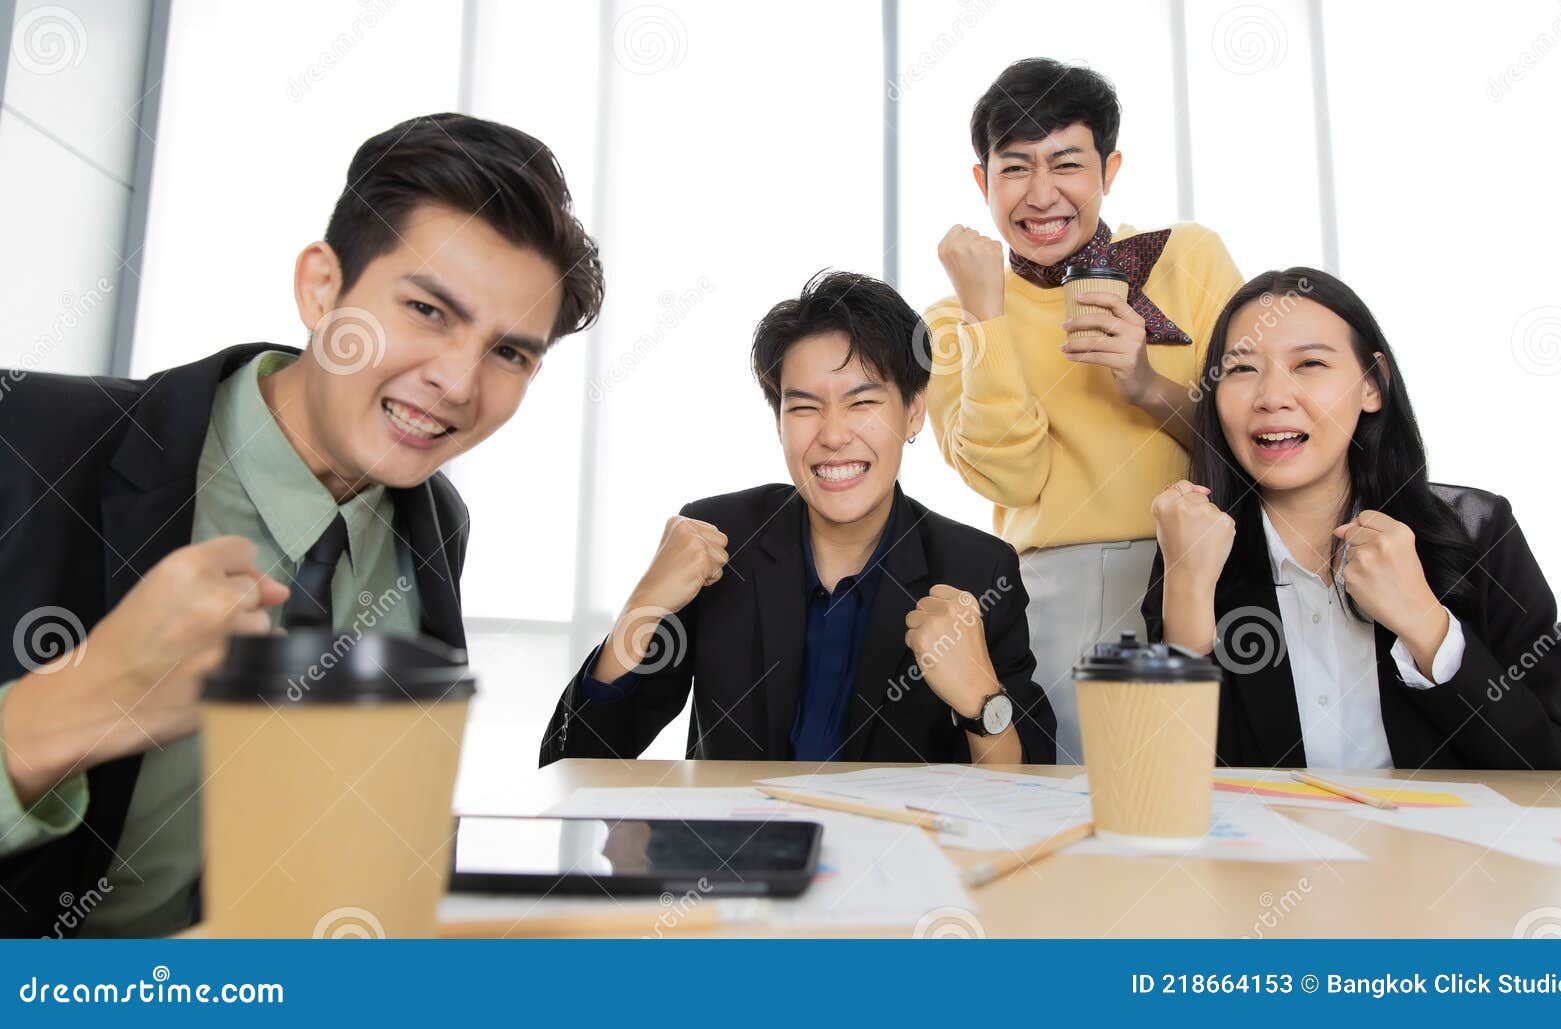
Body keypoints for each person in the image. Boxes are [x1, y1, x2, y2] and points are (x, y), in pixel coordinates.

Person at [0, 113, 605, 937]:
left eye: (511, 354)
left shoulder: (436, 526)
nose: (459, 383)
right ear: (323, 289)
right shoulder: (27, 442)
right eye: (428, 309)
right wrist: (75, 702)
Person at [541, 271, 1055, 766]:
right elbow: (574, 761)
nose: (833, 436)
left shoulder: (978, 569)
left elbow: (1025, 799)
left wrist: (981, 701)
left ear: (915, 410)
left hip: (893, 854)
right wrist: (642, 606)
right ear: (779, 421)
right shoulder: (719, 541)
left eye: (863, 403)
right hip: (738, 854)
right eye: (804, 407)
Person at [1144, 268, 1561, 771]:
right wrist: (1186, 599)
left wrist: (1428, 626)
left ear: (1372, 386)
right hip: (1267, 850)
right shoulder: (1193, 543)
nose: (1272, 396)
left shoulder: (1478, 532)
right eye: (1242, 369)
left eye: (1310, 363)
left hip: (1438, 850)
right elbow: (1164, 791)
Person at [924, 58, 1243, 763]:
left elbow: (1257, 442)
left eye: (1066, 163)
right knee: (1062, 813)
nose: (1041, 195)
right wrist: (987, 316)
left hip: (1207, 569)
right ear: (982, 182)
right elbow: (1012, 480)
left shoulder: (1187, 256)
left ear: (1110, 169)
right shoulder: (952, 319)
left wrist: (1144, 383)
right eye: (1015, 169)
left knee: (1215, 800)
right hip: (1048, 594)